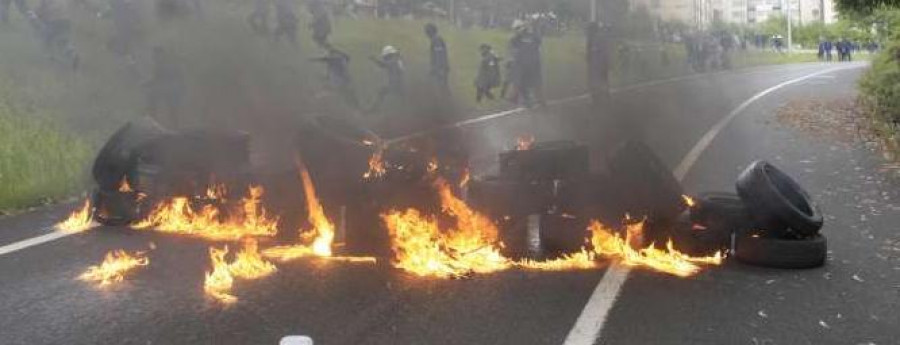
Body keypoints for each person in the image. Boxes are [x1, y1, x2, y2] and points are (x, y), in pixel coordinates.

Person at [144, 46, 185, 126]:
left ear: (161, 54)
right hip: (171, 90)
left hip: (171, 90)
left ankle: (155, 123)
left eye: (155, 55)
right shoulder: (163, 63)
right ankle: (172, 126)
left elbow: (156, 79)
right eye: (154, 55)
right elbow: (156, 79)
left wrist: (145, 83)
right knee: (172, 110)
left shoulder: (163, 64)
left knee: (170, 109)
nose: (154, 57)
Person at [508, 19, 544, 107]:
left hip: (533, 62)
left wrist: (528, 31)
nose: (517, 30)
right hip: (521, 62)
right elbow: (513, 44)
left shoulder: (534, 36)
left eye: (518, 28)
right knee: (518, 81)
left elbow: (538, 42)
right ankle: (516, 98)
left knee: (535, 82)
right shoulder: (516, 38)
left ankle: (539, 100)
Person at [369, 45, 404, 112]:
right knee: (400, 97)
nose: (385, 58)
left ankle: (374, 109)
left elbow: (383, 64)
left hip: (395, 84)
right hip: (400, 84)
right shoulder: (397, 59)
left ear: (389, 55)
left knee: (382, 92)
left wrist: (374, 59)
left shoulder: (393, 61)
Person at [586, 22, 611, 106]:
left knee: (597, 79)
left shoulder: (597, 38)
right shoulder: (594, 38)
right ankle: (604, 94)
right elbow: (590, 52)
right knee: (603, 79)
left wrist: (592, 55)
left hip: (599, 63)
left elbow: (597, 51)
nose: (588, 31)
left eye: (590, 29)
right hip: (600, 63)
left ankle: (596, 97)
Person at [424, 23, 449, 92]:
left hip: (440, 69)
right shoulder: (436, 39)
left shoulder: (436, 40)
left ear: (430, 32)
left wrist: (438, 69)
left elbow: (439, 56)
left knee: (442, 88)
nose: (426, 34)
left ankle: (445, 101)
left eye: (427, 31)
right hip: (440, 69)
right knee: (441, 88)